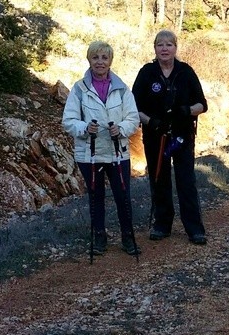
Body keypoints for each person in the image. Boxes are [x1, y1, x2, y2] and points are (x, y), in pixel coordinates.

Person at [62, 41, 141, 256]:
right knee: (96, 197)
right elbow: (68, 120)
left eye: (104, 58)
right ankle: (99, 237)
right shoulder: (79, 89)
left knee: (122, 195)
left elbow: (133, 118)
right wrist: (85, 127)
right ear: (89, 60)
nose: (100, 62)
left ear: (110, 61)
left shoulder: (122, 88)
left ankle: (128, 237)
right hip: (90, 154)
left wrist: (122, 129)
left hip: (118, 152)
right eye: (96, 57)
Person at [132, 30, 208, 244]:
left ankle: (194, 228)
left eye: (169, 44)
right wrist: (151, 121)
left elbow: (202, 104)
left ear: (176, 48)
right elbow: (134, 106)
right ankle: (162, 223)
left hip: (181, 137)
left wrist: (186, 110)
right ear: (154, 48)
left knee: (186, 180)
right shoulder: (146, 73)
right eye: (160, 45)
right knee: (159, 179)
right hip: (156, 136)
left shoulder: (186, 72)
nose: (164, 48)